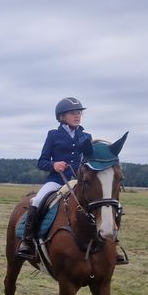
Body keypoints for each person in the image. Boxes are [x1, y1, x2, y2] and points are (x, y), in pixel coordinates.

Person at [16, 97, 92, 261]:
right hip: (57, 181)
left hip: (79, 182)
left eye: (79, 113)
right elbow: (41, 161)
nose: (77, 115)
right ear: (62, 116)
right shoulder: (53, 135)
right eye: (73, 113)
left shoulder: (86, 136)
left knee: (101, 204)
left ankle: (109, 245)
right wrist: (54, 165)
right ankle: (27, 240)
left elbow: (89, 160)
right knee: (37, 201)